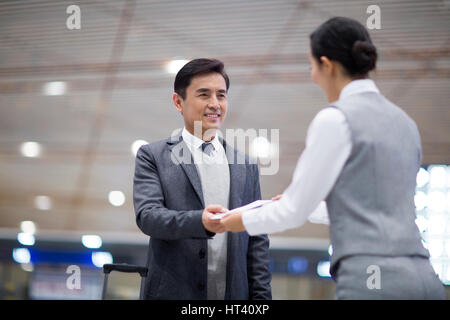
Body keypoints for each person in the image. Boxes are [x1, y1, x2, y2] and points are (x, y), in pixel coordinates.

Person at [221, 17, 445, 299]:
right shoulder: (406, 124)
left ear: (327, 65)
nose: (312, 74)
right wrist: (304, 203)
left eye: (312, 65)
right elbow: (372, 207)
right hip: (426, 280)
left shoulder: (335, 119)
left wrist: (234, 221)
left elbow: (292, 211)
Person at [133, 58, 271, 300]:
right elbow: (148, 217)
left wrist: (261, 299)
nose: (215, 104)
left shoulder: (245, 166)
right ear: (178, 101)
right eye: (204, 94)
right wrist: (201, 222)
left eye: (221, 95)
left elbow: (256, 239)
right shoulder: (153, 156)